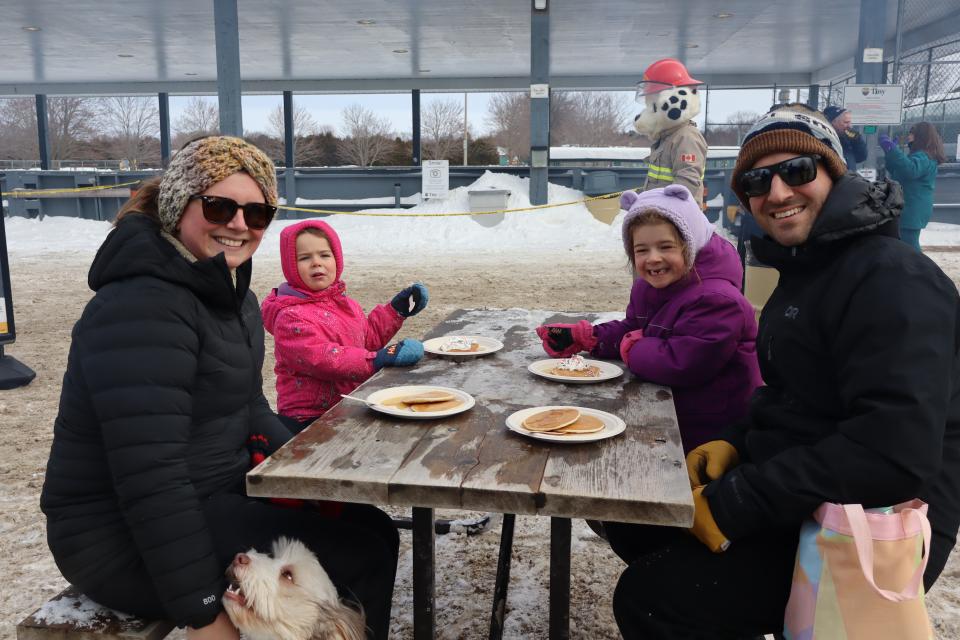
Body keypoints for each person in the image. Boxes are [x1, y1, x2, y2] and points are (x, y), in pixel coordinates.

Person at [611, 104, 960, 639]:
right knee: (634, 522)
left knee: (656, 600)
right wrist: (735, 440)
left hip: (878, 523)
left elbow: (893, 453)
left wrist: (738, 502)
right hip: (813, 486)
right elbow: (794, 398)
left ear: (834, 174)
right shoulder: (807, 271)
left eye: (797, 171)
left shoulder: (893, 279)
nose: (776, 193)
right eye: (757, 180)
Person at [40, 136, 399, 640]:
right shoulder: (140, 307)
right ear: (177, 206)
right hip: (118, 534)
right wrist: (202, 611)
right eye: (219, 205)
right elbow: (150, 477)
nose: (239, 224)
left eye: (257, 213)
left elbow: (248, 404)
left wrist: (309, 472)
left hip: (210, 493)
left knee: (375, 530)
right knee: (360, 559)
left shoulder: (230, 296)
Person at [536, 183, 761, 455]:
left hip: (711, 435)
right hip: (671, 414)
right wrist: (588, 337)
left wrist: (632, 348)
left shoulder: (718, 300)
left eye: (665, 246)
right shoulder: (649, 287)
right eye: (642, 250)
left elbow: (683, 363)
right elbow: (634, 328)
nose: (653, 258)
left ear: (691, 245)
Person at [261, 219, 427, 433]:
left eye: (324, 255)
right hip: (309, 418)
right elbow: (324, 359)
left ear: (337, 260)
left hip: (348, 402)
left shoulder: (344, 304)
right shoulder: (290, 317)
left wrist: (395, 311)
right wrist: (377, 359)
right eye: (304, 258)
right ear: (291, 267)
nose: (316, 263)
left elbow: (366, 341)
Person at [634, 58, 709, 205]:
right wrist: (642, 198)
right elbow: (660, 184)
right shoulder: (668, 137)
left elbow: (686, 183)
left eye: (653, 105)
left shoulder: (686, 137)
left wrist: (664, 212)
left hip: (675, 219)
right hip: (661, 217)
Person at [880, 121, 947, 251]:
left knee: (909, 244)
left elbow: (910, 170)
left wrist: (894, 151)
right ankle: (911, 267)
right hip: (913, 208)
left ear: (920, 136)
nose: (908, 136)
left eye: (911, 133)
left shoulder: (923, 156)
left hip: (912, 209)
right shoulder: (921, 155)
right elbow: (898, 171)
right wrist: (890, 153)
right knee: (906, 242)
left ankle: (919, 269)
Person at [823, 104, 867, 170]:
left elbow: (860, 158)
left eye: (850, 122)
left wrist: (857, 141)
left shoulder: (847, 139)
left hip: (850, 178)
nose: (850, 126)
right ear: (833, 122)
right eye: (846, 122)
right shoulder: (824, 140)